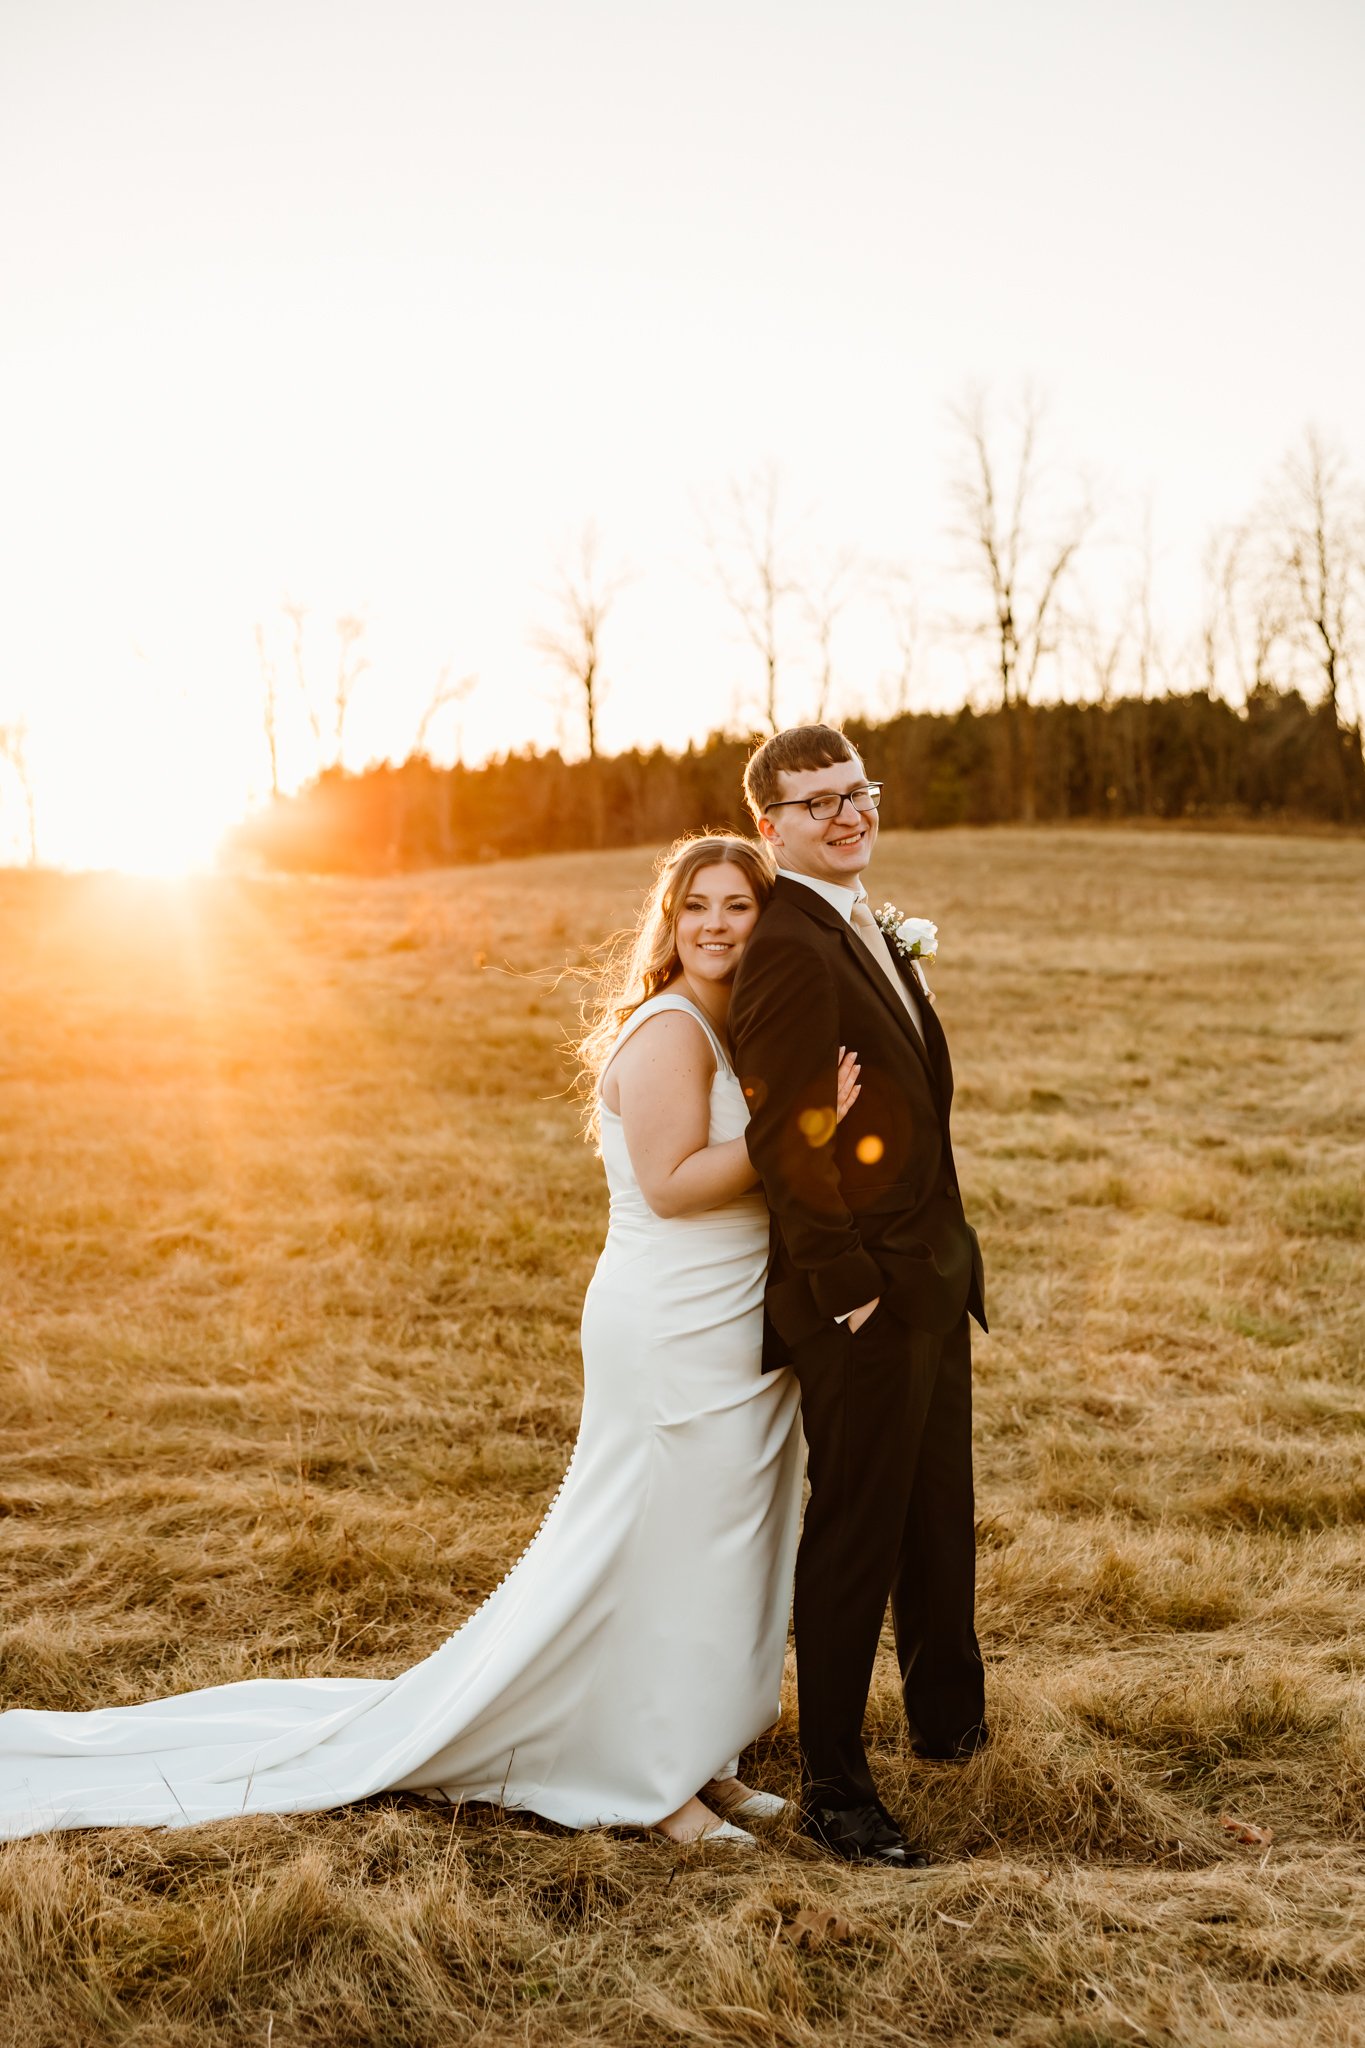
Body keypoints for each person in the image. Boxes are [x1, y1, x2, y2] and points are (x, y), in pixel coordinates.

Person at [0, 834, 859, 1849]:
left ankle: (697, 1751)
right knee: (655, 1542)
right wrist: (797, 1127)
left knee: (719, 1541)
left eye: (740, 906)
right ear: (668, 924)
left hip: (733, 1322)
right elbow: (673, 1185)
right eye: (696, 905)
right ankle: (645, 1778)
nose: (717, 924)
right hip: (672, 1322)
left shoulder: (736, 1020)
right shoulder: (670, 1029)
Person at [729, 725, 989, 1870]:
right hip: (863, 1302)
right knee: (856, 1538)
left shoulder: (866, 924)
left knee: (937, 1520)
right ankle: (837, 1788)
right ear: (770, 827)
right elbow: (791, 1141)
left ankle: (951, 1727)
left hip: (931, 1279)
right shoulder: (787, 943)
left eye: (857, 792)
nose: (848, 814)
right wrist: (848, 1294)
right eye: (817, 802)